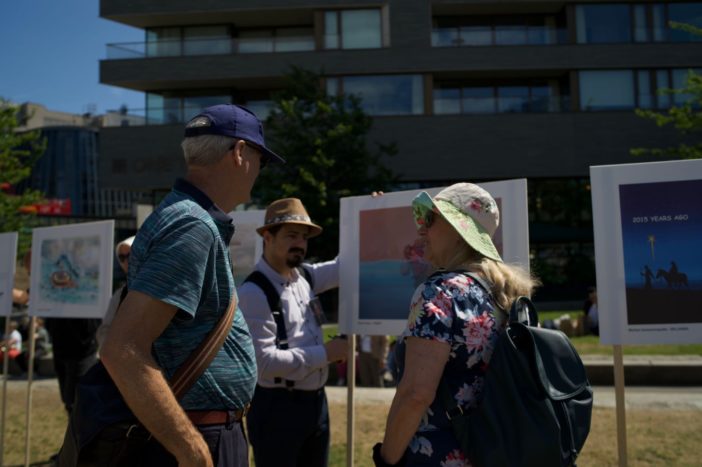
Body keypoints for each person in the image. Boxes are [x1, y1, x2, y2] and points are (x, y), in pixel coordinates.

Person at [99, 104, 285, 467]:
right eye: (261, 161)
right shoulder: (192, 225)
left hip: (202, 430)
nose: (258, 173)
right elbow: (122, 348)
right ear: (240, 153)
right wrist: (193, 450)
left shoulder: (183, 215)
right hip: (198, 436)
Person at [374, 183, 539, 466]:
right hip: (493, 450)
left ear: (459, 231)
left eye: (431, 219)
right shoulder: (509, 293)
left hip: (437, 455)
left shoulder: (439, 291)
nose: (421, 229)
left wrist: (386, 458)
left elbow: (417, 394)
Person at [237, 198, 347, 467]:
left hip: (315, 404)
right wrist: (326, 354)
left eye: (304, 237)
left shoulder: (305, 277)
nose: (300, 243)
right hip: (277, 409)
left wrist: (370, 217)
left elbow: (346, 265)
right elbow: (263, 363)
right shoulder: (253, 292)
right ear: (267, 237)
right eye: (291, 235)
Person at [96, 235, 134, 349]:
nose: (127, 261)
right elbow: (104, 330)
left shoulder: (158, 288)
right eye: (122, 257)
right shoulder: (120, 294)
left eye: (131, 255)